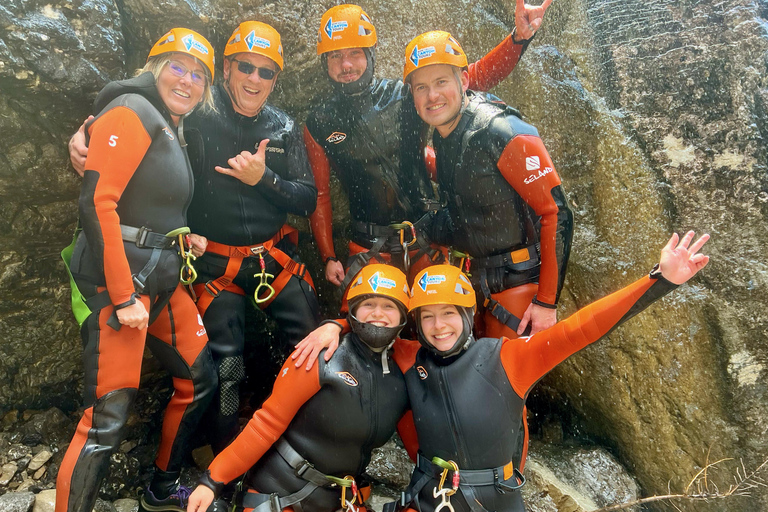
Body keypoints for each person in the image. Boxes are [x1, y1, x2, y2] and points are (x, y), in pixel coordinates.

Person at [69, 21, 321, 455]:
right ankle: (223, 462)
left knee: (311, 350)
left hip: (274, 260)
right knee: (225, 368)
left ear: (277, 79)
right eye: (245, 66)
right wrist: (84, 134)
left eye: (266, 72)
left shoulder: (283, 126)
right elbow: (131, 111)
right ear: (226, 69)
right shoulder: (196, 112)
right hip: (214, 264)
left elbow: (307, 199)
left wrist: (265, 179)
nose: (254, 79)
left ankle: (307, 446)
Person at [393, 231, 709, 512]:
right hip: (428, 498)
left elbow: (582, 328)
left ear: (467, 314)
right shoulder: (409, 357)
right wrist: (340, 324)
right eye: (427, 316)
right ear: (417, 324)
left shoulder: (507, 357)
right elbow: (370, 329)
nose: (439, 326)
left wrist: (659, 280)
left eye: (448, 312)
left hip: (495, 500)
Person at [56, 28, 218, 512]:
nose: (187, 80)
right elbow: (97, 203)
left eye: (198, 75)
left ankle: (161, 490)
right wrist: (124, 298)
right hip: (118, 286)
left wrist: (182, 236)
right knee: (107, 415)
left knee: (200, 376)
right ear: (154, 67)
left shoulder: (168, 123)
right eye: (177, 66)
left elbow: (145, 205)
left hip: (161, 280)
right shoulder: (131, 109)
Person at [305, 1, 552, 290]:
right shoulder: (319, 121)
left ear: (371, 54)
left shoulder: (406, 95)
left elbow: (477, 76)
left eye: (355, 53)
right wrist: (328, 256)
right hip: (369, 247)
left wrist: (518, 38)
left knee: (442, 329)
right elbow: (320, 194)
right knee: (372, 331)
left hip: (427, 238)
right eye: (335, 56)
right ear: (324, 62)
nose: (346, 65)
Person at [186, 264, 419, 512]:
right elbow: (266, 424)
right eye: (368, 304)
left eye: (388, 306)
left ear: (403, 316)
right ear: (353, 310)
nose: (377, 313)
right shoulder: (319, 353)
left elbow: (418, 447)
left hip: (338, 499)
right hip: (279, 491)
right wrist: (212, 481)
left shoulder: (403, 370)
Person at [402, 30, 573, 339]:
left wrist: (547, 302)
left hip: (517, 284)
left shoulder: (501, 130)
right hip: (474, 281)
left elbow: (556, 212)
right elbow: (468, 180)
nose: (432, 96)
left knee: (504, 383)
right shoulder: (446, 134)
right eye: (422, 87)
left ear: (463, 81)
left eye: (441, 82)